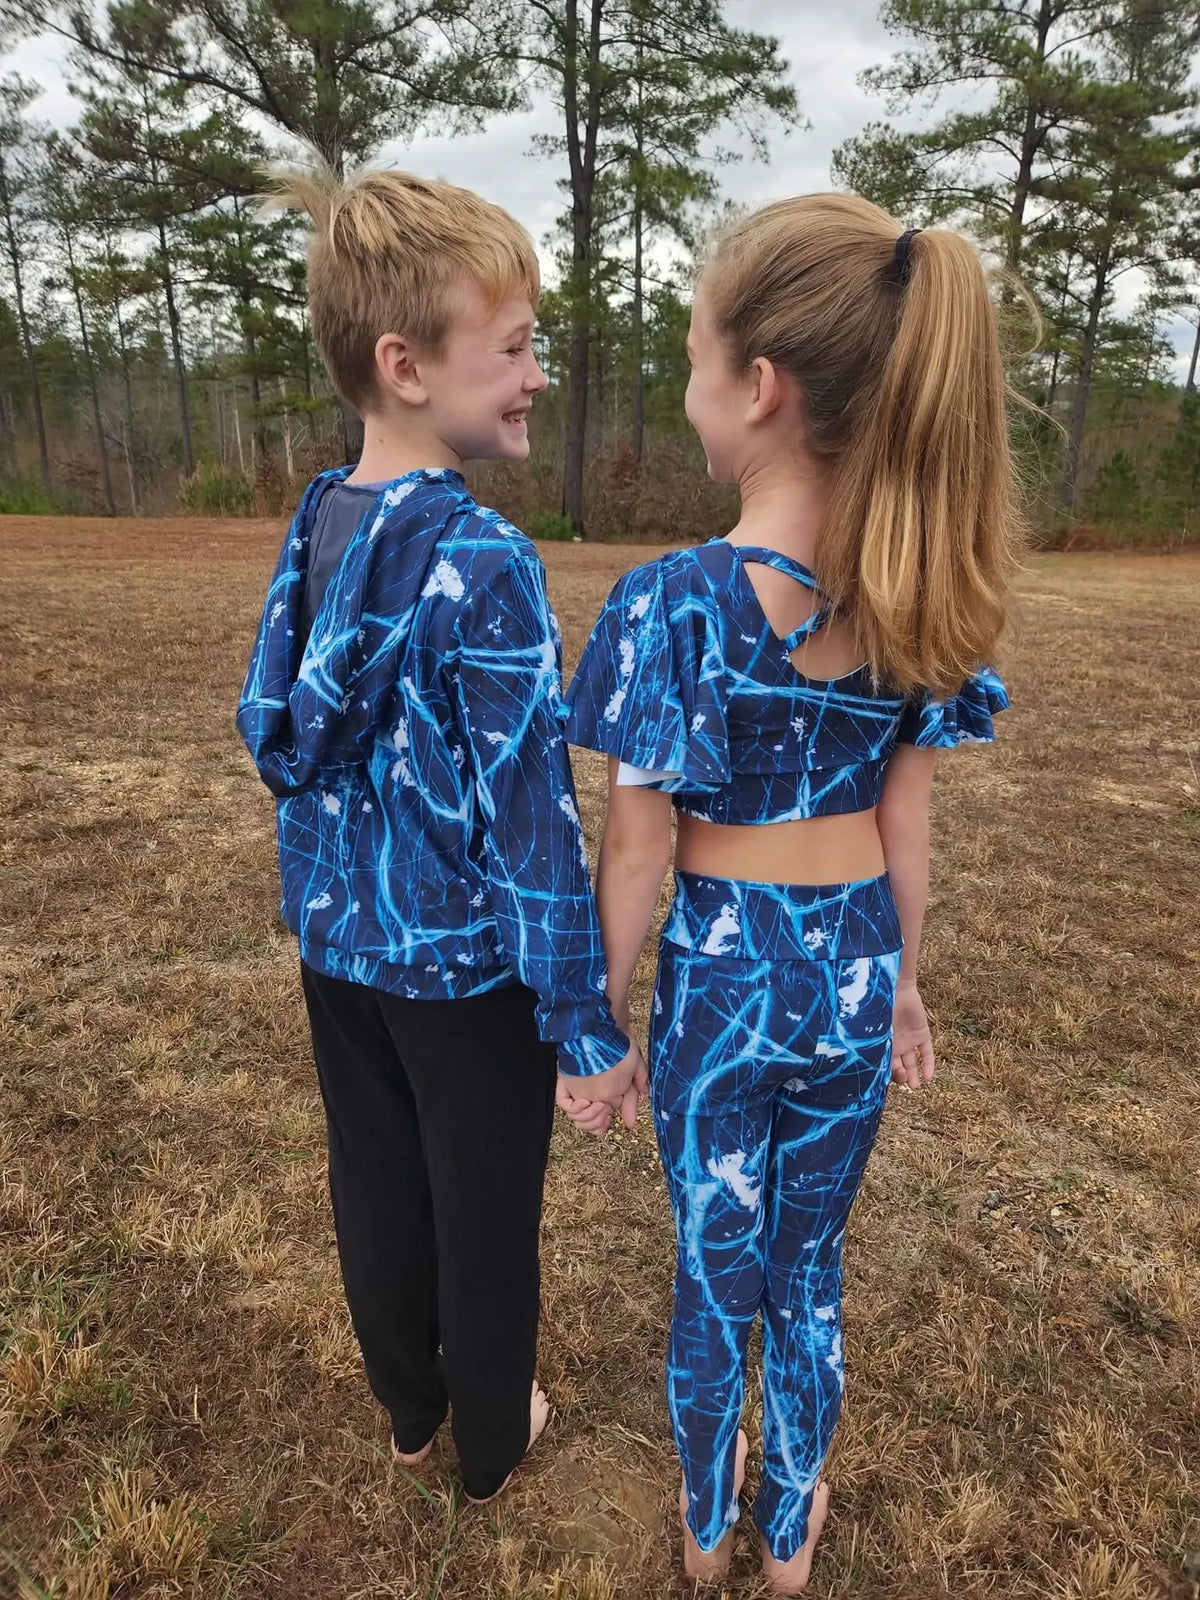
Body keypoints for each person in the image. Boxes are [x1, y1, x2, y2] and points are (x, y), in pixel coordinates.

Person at [562, 195, 1020, 1593]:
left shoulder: (673, 601)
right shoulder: (911, 593)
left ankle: (705, 1525)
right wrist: (904, 984)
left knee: (718, 1268)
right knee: (809, 1269)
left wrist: (601, 1020)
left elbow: (637, 845)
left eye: (695, 364)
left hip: (720, 969)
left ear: (756, 389)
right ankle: (788, 1532)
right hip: (853, 964)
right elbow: (907, 822)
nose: (690, 398)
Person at [236, 165, 642, 1508]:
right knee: (479, 1214)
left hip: (340, 955)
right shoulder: (488, 563)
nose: (537, 376)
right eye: (516, 348)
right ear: (405, 364)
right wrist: (584, 1024)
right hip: (465, 977)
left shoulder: (317, 520)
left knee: (377, 1184)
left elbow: (279, 732)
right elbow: (531, 824)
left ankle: (411, 1412)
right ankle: (488, 1435)